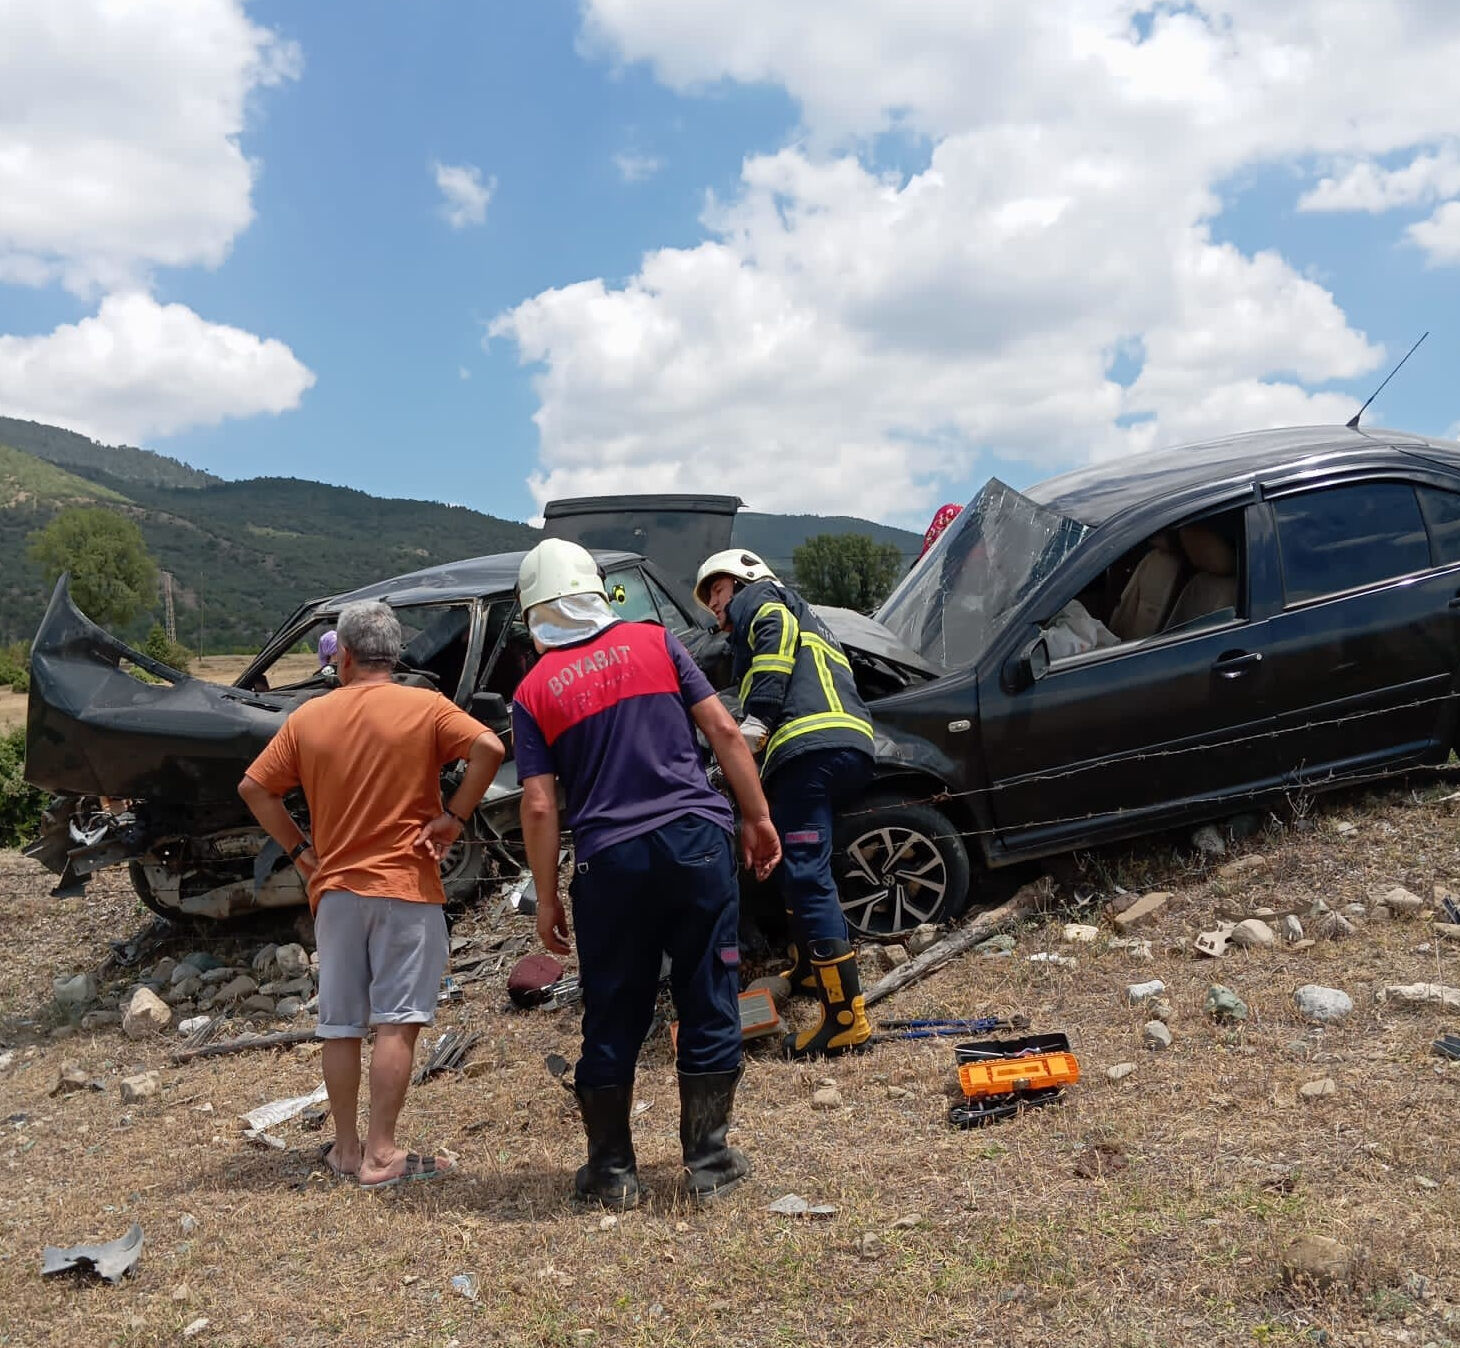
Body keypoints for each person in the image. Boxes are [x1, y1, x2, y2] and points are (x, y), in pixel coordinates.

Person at [512, 538, 780, 1208]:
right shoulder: (656, 643)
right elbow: (722, 730)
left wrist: (545, 897)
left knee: (613, 1009)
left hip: (611, 864)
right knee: (707, 993)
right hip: (695, 844)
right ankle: (710, 1162)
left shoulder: (533, 690)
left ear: (533, 614)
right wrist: (758, 816)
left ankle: (611, 1174)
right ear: (598, 593)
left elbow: (541, 802)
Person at [239, 600, 503, 1189]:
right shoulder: (426, 707)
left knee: (339, 1025)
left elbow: (254, 786)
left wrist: (303, 854)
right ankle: (383, 1153)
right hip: (409, 887)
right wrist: (455, 817)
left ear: (346, 657)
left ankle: (346, 1149)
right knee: (396, 1023)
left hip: (335, 892)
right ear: (395, 656)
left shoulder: (309, 718)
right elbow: (489, 748)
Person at [694, 549, 877, 1059]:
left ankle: (845, 1019)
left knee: (806, 876)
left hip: (806, 745)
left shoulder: (764, 599)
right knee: (803, 868)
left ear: (745, 578)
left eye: (717, 589)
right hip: (846, 742)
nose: (714, 603)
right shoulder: (811, 615)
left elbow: (772, 639)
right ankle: (806, 964)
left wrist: (756, 720)